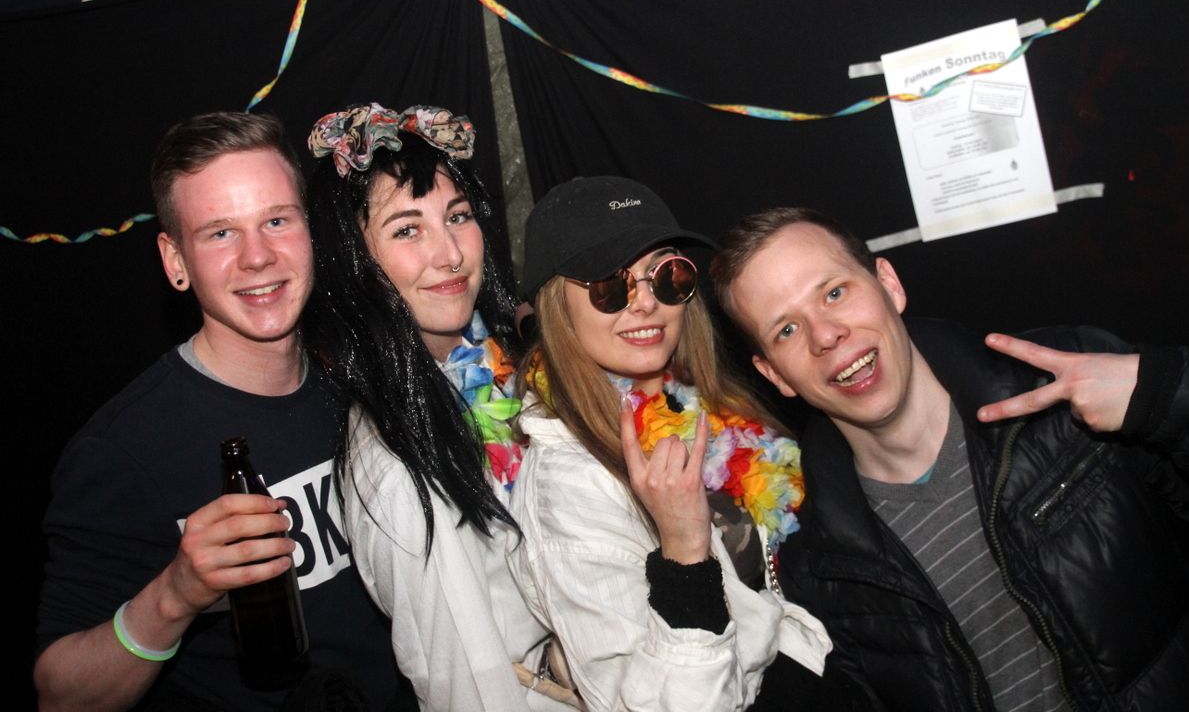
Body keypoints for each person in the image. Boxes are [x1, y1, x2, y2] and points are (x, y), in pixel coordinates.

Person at [710, 206, 1189, 711]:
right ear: (775, 375)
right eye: (787, 330)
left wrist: (1168, 396)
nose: (825, 335)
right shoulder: (818, 568)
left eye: (834, 293)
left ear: (889, 285)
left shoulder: (1066, 392)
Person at [35, 112, 405, 711]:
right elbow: (60, 696)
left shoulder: (359, 381)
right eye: (220, 233)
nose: (257, 257)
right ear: (175, 261)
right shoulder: (124, 448)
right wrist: (175, 595)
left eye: (277, 221)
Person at [510, 176, 833, 712]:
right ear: (556, 309)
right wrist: (684, 554)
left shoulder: (705, 404)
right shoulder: (569, 487)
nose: (645, 304)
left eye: (667, 276)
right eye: (610, 286)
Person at [303, 103, 575, 711]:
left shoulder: (503, 369)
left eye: (457, 216)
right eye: (406, 230)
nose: (450, 253)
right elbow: (463, 684)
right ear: (355, 261)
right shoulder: (395, 465)